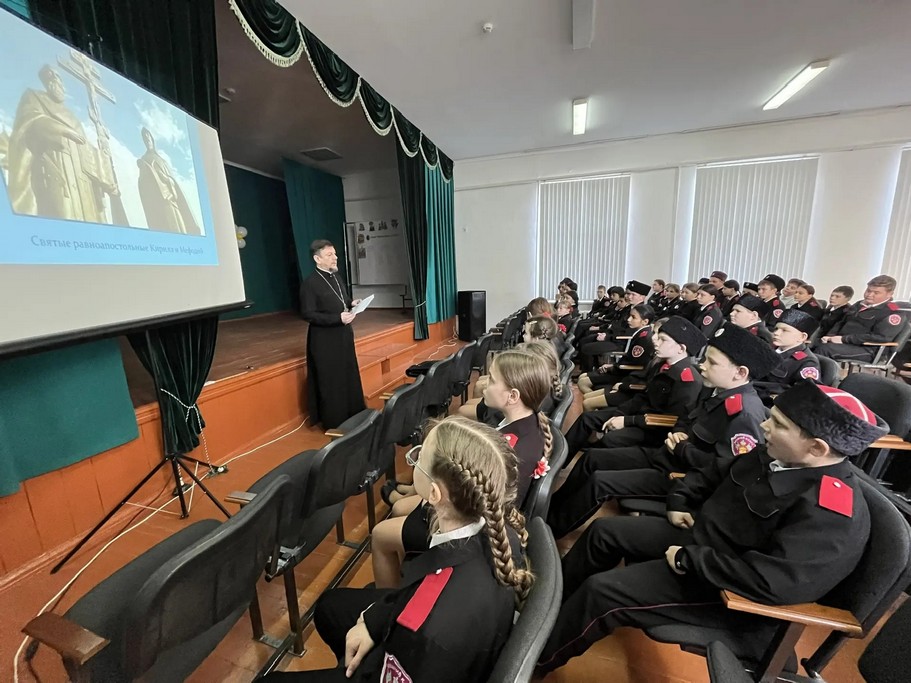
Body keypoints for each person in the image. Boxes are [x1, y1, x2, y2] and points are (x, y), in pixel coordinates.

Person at [537, 380, 887, 675]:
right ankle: (545, 608)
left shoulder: (831, 511)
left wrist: (690, 560)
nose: (764, 426)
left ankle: (532, 659)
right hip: (703, 542)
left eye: (779, 424)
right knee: (604, 533)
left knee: (603, 592)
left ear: (817, 447)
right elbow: (713, 473)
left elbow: (773, 582)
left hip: (725, 587)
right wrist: (679, 501)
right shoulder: (777, 455)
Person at [264, 418, 532, 683]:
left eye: (420, 458)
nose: (414, 460)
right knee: (330, 607)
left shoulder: (427, 628)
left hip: (410, 660)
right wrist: (373, 621)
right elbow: (411, 593)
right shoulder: (501, 532)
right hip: (437, 641)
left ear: (434, 494)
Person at [546, 323, 779, 539]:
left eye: (712, 363)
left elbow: (725, 470)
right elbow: (685, 418)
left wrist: (683, 447)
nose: (702, 365)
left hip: (680, 476)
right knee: (592, 458)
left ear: (740, 373)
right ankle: (548, 506)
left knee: (600, 482)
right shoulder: (716, 390)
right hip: (665, 455)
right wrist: (680, 434)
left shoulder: (744, 413)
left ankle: (550, 528)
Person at [376, 355, 551, 587]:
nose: (484, 382)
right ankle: (408, 560)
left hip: (470, 519)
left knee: (380, 534)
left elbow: (469, 492)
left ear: (513, 396)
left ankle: (393, 588)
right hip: (475, 509)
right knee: (402, 506)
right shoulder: (527, 427)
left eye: (492, 380)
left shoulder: (511, 446)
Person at [565, 316, 705, 455]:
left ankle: (593, 454)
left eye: (663, 339)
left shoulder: (687, 380)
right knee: (587, 418)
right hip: (640, 416)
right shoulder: (662, 365)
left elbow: (671, 419)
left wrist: (627, 421)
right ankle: (560, 458)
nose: (655, 341)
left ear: (681, 348)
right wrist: (620, 413)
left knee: (609, 440)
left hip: (653, 428)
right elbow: (642, 397)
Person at [7, 65, 108, 222]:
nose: (55, 81)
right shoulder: (34, 96)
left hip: (82, 181)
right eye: (50, 78)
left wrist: (102, 173)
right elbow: (28, 122)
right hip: (57, 171)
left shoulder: (73, 117)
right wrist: (61, 130)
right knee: (63, 216)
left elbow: (85, 147)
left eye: (57, 77)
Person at [299, 240, 365, 429]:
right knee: (331, 380)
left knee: (347, 374)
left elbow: (342, 299)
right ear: (317, 259)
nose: (335, 258)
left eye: (334, 254)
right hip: (324, 340)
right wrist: (337, 318)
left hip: (343, 335)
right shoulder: (310, 283)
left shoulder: (336, 276)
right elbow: (308, 314)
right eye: (329, 255)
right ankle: (335, 420)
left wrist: (352, 303)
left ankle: (354, 413)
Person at [815, 275, 904, 362]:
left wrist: (844, 339)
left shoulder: (893, 312)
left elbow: (881, 337)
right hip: (846, 344)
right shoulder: (859, 304)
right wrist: (830, 336)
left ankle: (816, 372)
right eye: (868, 291)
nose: (870, 295)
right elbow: (841, 322)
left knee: (824, 349)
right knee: (812, 345)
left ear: (889, 294)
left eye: (876, 293)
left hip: (869, 349)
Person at [137, 127, 202, 234]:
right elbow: (143, 184)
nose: (147, 141)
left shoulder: (162, 160)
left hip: (172, 199)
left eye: (149, 138)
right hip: (160, 203)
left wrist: (166, 179)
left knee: (180, 229)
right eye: (145, 139)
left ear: (152, 140)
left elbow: (172, 181)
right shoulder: (144, 160)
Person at [754, 309, 821, 404]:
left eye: (784, 330)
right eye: (776, 329)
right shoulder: (769, 349)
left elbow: (805, 394)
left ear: (802, 337)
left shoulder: (807, 362)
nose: (776, 333)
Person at [578, 304, 654, 386]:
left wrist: (612, 368)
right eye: (629, 316)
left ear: (645, 321)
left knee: (583, 382)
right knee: (583, 377)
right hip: (620, 369)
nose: (628, 319)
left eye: (633, 317)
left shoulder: (643, 339)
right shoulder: (640, 334)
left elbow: (632, 364)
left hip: (625, 375)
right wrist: (612, 365)